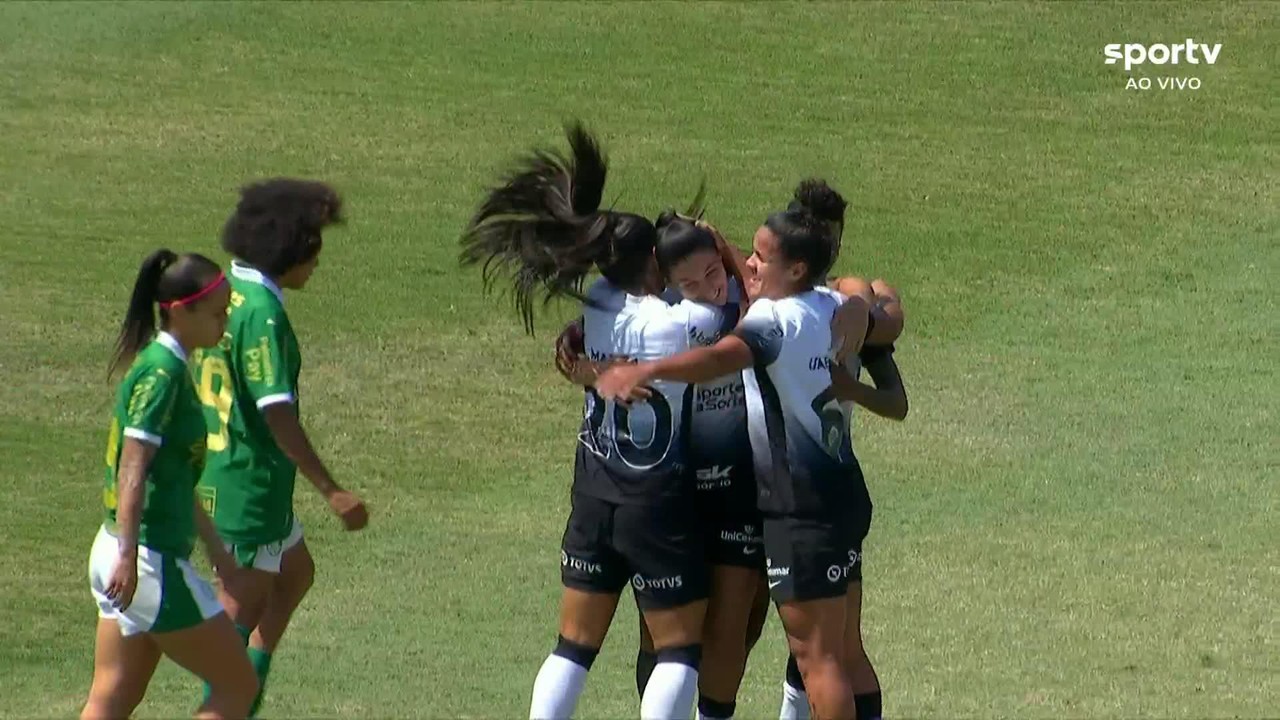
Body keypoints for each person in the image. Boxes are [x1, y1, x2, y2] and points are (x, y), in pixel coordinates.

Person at [594, 183, 904, 720]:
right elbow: (879, 319)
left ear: (798, 268)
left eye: (761, 257)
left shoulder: (771, 321)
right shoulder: (833, 306)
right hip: (844, 499)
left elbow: (718, 360)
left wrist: (643, 369)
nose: (749, 264)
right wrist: (861, 306)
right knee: (846, 652)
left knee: (817, 660)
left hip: (796, 509)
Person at [461, 123, 720, 720]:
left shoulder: (597, 301)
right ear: (654, 259)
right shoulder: (680, 325)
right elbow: (728, 306)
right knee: (679, 651)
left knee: (574, 647)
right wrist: (705, 240)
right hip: (657, 503)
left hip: (593, 494)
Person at [193, 178, 369, 716]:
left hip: (225, 473)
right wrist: (332, 490)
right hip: (249, 488)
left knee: (294, 574)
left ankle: (247, 688)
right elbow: (277, 414)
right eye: (312, 242)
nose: (318, 256)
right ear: (287, 247)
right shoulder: (263, 317)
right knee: (234, 626)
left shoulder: (226, 291)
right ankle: (233, 700)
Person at [84, 250, 257, 720]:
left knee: (114, 692)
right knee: (237, 685)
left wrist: (217, 550)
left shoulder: (163, 367)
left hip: (120, 554)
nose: (225, 324)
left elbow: (173, 475)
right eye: (218, 314)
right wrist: (127, 557)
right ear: (182, 312)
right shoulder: (163, 374)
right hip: (143, 562)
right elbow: (133, 468)